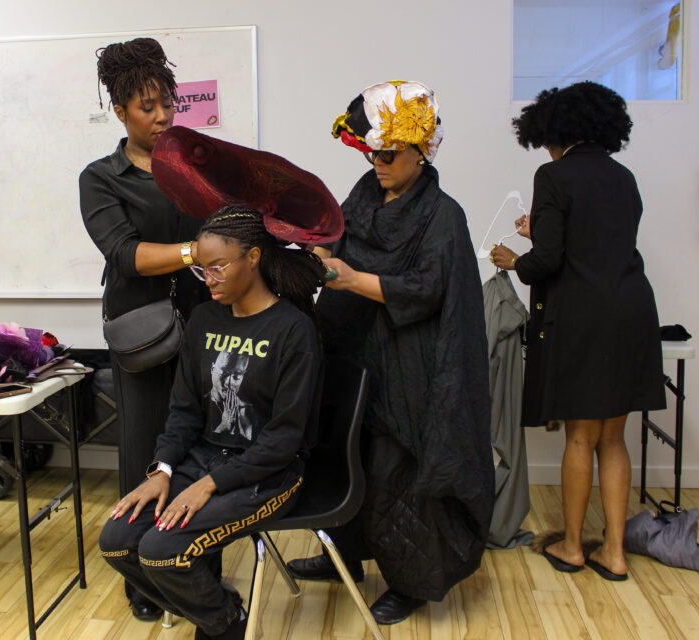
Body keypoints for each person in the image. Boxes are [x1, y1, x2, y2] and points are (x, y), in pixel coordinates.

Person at [287, 81, 493, 624]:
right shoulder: (362, 194)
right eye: (369, 152)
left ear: (419, 152)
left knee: (396, 470)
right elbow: (338, 242)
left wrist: (354, 280)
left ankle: (412, 582)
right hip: (354, 353)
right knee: (345, 454)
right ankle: (345, 557)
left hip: (411, 364)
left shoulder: (443, 215)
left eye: (386, 154)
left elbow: (426, 288)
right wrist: (319, 252)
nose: (376, 163)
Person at [98, 206, 325, 640]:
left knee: (162, 550)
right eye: (202, 271)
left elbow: (284, 439)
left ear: (254, 258)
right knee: (117, 542)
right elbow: (183, 410)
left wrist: (208, 485)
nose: (210, 279)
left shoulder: (293, 331)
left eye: (218, 267)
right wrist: (162, 470)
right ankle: (222, 615)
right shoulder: (203, 321)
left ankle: (223, 626)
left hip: (270, 472)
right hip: (204, 458)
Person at [490, 81, 665, 581]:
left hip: (583, 316)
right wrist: (539, 231)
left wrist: (515, 258)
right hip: (631, 310)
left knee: (580, 438)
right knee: (614, 437)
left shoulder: (553, 174)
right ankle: (613, 551)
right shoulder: (623, 176)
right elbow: (596, 239)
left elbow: (550, 260)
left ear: (556, 131)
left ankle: (571, 546)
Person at [78, 36, 209, 621]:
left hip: (205, 326)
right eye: (146, 107)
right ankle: (141, 578)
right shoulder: (101, 178)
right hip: (144, 334)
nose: (160, 117)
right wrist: (198, 249)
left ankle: (193, 565)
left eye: (167, 104)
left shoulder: (191, 164)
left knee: (200, 447)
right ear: (120, 111)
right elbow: (125, 254)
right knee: (145, 449)